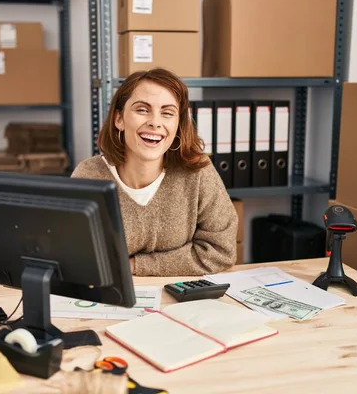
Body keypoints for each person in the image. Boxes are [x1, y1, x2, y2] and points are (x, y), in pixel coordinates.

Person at [71, 68, 238, 276]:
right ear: (119, 119)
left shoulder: (197, 172)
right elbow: (74, 256)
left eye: (167, 113)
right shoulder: (89, 175)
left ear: (178, 124)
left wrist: (133, 265)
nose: (155, 122)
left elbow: (221, 252)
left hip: (180, 298)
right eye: (142, 110)